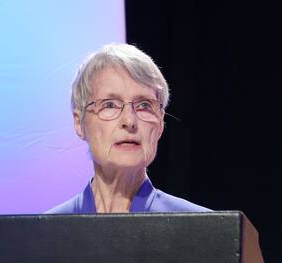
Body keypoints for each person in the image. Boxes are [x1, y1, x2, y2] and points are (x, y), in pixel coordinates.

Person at [47, 43, 209, 213]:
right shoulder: (42, 233)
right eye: (109, 105)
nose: (129, 120)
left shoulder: (206, 231)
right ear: (79, 123)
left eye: (144, 105)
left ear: (160, 123)